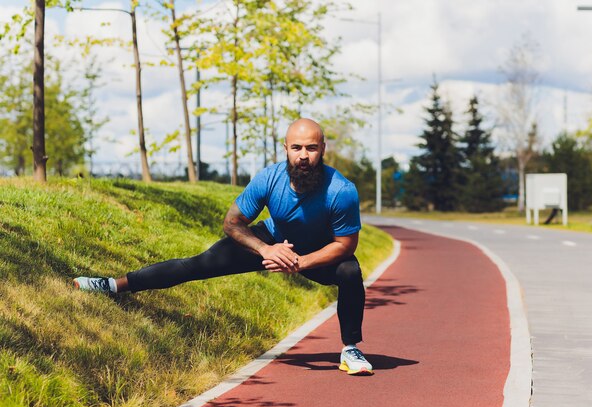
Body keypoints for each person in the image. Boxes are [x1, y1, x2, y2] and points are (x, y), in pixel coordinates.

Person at [74, 118, 373, 375]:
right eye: (297, 148)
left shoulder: (341, 190)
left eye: (311, 148)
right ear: (285, 149)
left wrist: (301, 263)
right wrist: (266, 250)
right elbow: (232, 223)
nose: (303, 155)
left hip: (317, 252)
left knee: (349, 271)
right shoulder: (269, 179)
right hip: (271, 242)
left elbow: (345, 245)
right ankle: (113, 285)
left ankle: (350, 349)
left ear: (322, 150)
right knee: (198, 264)